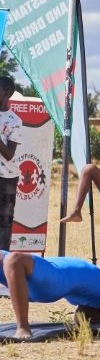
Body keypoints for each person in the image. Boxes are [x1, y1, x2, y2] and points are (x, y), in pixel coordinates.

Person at [0, 76, 23, 251]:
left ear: (6, 94)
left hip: (6, 178)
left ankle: (2, 266)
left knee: (4, 223)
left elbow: (9, 154)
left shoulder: (14, 121)